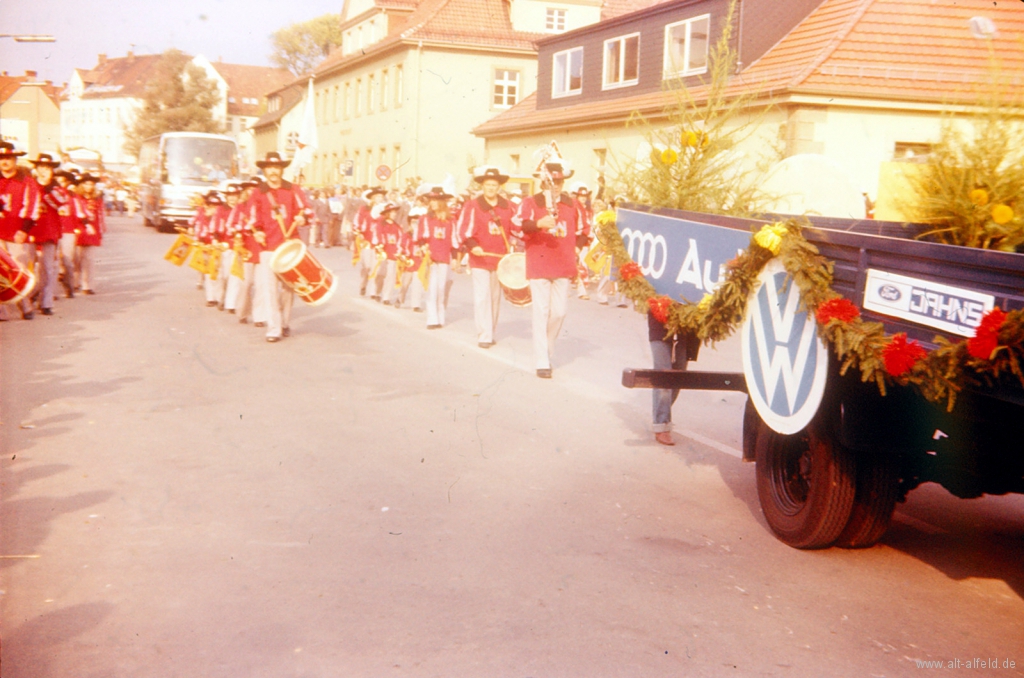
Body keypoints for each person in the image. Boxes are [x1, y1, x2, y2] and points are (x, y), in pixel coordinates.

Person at [512, 154, 588, 378]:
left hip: (563, 265)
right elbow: (515, 227)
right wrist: (537, 224)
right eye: (551, 182)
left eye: (559, 182)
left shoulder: (572, 204)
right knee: (541, 311)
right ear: (543, 182)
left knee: (559, 312)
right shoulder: (530, 202)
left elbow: (585, 230)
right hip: (539, 264)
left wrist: (576, 248)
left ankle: (546, 350)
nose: (555, 187)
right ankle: (542, 361)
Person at [248, 151, 313, 342]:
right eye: (269, 168)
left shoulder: (293, 189)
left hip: (289, 247)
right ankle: (273, 328)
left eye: (276, 168)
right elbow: (253, 217)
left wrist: (303, 219)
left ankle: (284, 322)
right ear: (265, 170)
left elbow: (307, 210)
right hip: (267, 247)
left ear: (281, 169)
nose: (273, 172)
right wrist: (257, 231)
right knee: (268, 289)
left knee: (288, 288)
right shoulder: (258, 192)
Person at [458, 166, 516, 348]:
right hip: (480, 259)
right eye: (488, 184)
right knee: (482, 296)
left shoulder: (509, 206)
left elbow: (516, 229)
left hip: (501, 260)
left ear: (499, 186)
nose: (491, 188)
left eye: (494, 184)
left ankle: (491, 330)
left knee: (495, 297)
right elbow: (462, 230)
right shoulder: (472, 206)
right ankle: (484, 335)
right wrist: (472, 246)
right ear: (482, 185)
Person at [0, 141, 39, 320]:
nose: (4, 162)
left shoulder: (26, 181)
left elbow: (32, 207)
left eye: (8, 158)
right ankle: (2, 311)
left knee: (18, 269)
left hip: (16, 234)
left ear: (15, 160)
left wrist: (24, 230)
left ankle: (26, 305)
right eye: (1, 159)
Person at [649, 312, 701, 446]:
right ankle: (661, 425)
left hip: (685, 331)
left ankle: (661, 412)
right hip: (660, 328)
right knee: (664, 377)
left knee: (678, 378)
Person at [27, 153, 66, 315]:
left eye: (47, 168)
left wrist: (46, 187)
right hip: (29, 231)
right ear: (36, 168)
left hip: (49, 232)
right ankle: (30, 294)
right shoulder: (29, 185)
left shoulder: (57, 188)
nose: (44, 171)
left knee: (48, 269)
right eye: (41, 167)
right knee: (28, 268)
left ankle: (46, 303)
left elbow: (59, 201)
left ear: (52, 170)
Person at [416, 182, 457, 329]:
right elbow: (420, 237)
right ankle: (432, 318)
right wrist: (424, 247)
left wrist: (456, 259)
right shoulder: (425, 219)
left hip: (445, 257)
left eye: (435, 201)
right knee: (432, 288)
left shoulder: (450, 220)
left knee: (441, 288)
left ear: (441, 202)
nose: (432, 203)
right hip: (431, 258)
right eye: (430, 201)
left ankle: (440, 316)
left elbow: (454, 240)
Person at [74, 173, 105, 294]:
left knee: (90, 259)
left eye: (91, 184)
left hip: (92, 231)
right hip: (79, 229)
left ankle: (88, 285)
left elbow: (100, 216)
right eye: (87, 183)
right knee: (76, 258)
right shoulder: (77, 198)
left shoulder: (97, 199)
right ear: (82, 185)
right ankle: (75, 282)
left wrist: (100, 231)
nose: (89, 186)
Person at [354, 187, 385, 297]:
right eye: (378, 196)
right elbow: (357, 221)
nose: (380, 199)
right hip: (366, 240)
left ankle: (373, 291)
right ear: (372, 198)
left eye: (381, 197)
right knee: (367, 266)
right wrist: (359, 232)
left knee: (375, 267)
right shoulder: (364, 209)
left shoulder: (384, 210)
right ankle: (363, 283)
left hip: (378, 242)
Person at [370, 201, 404, 305]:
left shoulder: (397, 227)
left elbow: (400, 239)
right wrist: (379, 245)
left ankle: (386, 297)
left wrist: (399, 251)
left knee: (391, 275)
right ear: (387, 213)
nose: (394, 214)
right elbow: (377, 235)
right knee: (380, 273)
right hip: (382, 252)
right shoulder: (380, 224)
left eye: (395, 212)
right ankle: (376, 292)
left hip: (392, 253)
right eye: (392, 212)